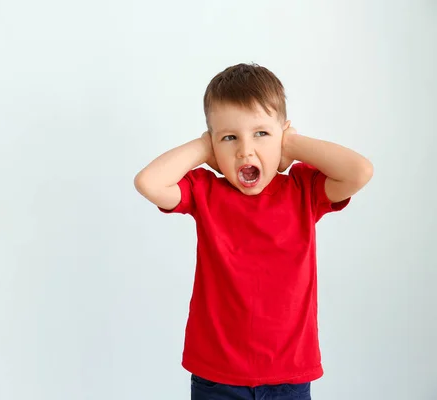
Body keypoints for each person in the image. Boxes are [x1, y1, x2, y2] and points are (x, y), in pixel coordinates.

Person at [133, 63, 373, 400]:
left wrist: (293, 144)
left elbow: (359, 171)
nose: (245, 150)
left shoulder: (304, 191)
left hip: (289, 374)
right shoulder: (206, 193)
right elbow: (148, 182)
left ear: (283, 135)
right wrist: (204, 147)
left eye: (261, 133)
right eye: (230, 137)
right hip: (217, 376)